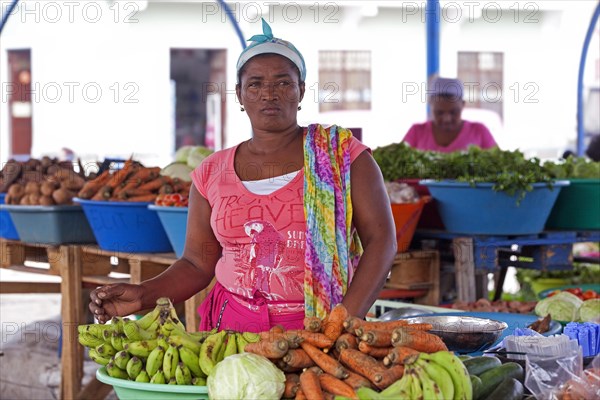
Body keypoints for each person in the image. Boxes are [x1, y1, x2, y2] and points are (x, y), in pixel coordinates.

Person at [89, 19, 397, 333]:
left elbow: (381, 241)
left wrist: (343, 321)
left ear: (301, 90)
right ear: (239, 94)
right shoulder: (211, 172)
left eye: (283, 83)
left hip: (319, 330)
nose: (269, 94)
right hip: (232, 329)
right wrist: (144, 294)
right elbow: (197, 263)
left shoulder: (342, 157)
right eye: (255, 84)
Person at [402, 77, 498, 152]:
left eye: (454, 112)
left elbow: (498, 164)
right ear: (430, 105)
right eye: (439, 113)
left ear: (463, 105)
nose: (447, 119)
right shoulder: (417, 132)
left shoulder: (479, 131)